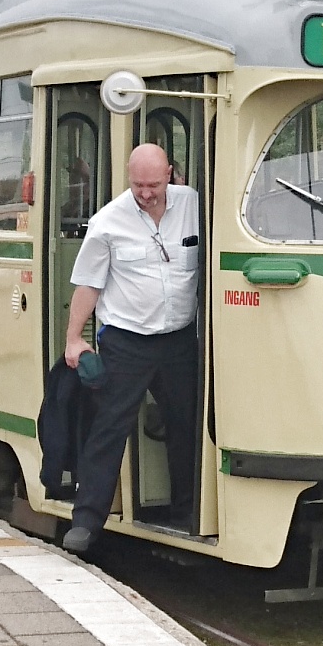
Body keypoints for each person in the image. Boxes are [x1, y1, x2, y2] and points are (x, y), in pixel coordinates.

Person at [61, 142, 201, 554]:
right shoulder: (108, 222)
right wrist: (75, 339)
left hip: (179, 339)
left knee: (187, 425)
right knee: (108, 429)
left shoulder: (193, 204)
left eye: (154, 184)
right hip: (127, 341)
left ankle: (186, 512)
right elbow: (88, 284)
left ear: (171, 175)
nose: (146, 193)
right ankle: (85, 524)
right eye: (138, 184)